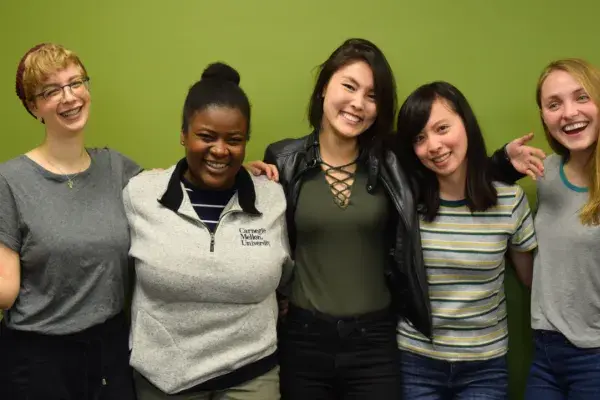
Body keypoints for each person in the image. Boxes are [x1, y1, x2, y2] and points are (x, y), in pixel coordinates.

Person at [245, 38, 544, 400]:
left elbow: (447, 168)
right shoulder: (284, 159)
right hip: (305, 338)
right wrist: (240, 176)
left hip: (376, 341)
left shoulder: (391, 162)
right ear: (325, 87)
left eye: (372, 96)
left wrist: (501, 165)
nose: (358, 103)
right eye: (349, 86)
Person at [124, 62, 293, 400]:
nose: (220, 150)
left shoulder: (271, 196)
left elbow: (285, 275)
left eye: (234, 140)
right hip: (164, 381)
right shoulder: (140, 193)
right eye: (206, 137)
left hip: (252, 376)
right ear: (183, 134)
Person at [0, 43, 139, 399]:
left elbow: (179, 188)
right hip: (38, 359)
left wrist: (239, 173)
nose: (69, 97)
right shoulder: (9, 181)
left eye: (76, 82)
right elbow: (5, 290)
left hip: (110, 350)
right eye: (51, 91)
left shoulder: (116, 168)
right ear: (34, 107)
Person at [394, 81, 537, 399]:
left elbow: (531, 279)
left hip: (484, 366)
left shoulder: (510, 201)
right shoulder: (405, 204)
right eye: (420, 138)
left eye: (442, 128)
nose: (433, 145)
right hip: (416, 361)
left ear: (466, 125)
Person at [524, 58, 600, 400]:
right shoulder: (545, 173)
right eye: (554, 104)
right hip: (544, 352)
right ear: (544, 116)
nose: (569, 113)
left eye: (581, 97)